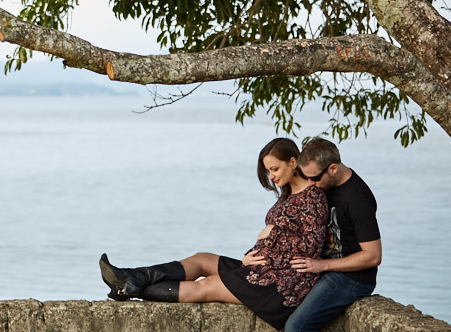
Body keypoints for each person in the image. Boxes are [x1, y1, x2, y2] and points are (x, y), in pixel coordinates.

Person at [99, 138, 328, 331]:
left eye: (275, 169)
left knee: (206, 286)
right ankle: (132, 276)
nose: (271, 176)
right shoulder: (287, 195)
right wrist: (250, 255)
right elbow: (272, 240)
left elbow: (312, 246)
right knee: (202, 259)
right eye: (268, 171)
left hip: (282, 284)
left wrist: (274, 232)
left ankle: (129, 287)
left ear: (293, 162)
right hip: (264, 268)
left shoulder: (313, 197)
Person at [281, 138, 381, 332]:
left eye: (315, 178)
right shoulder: (321, 184)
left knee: (295, 327)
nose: (310, 184)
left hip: (351, 278)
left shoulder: (358, 199)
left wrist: (323, 265)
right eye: (306, 177)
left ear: (333, 168)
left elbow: (373, 256)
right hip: (320, 267)